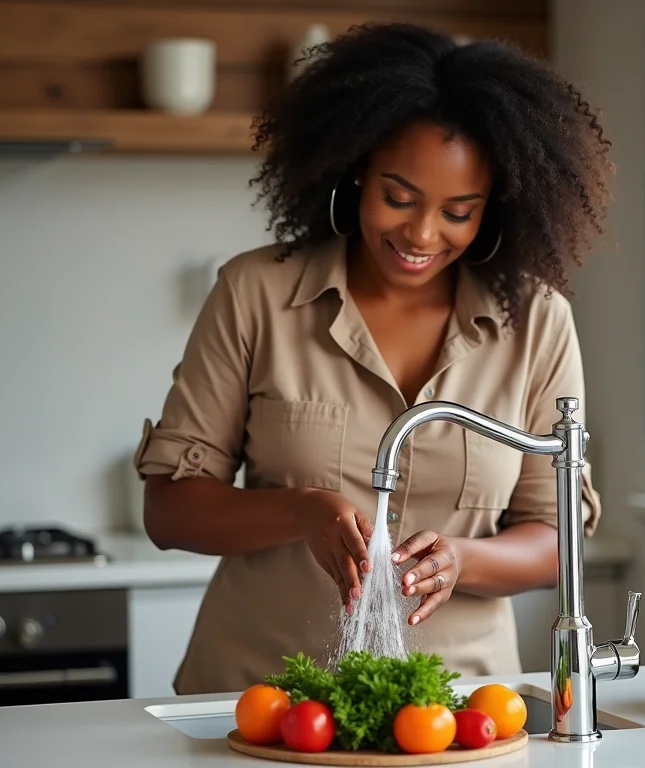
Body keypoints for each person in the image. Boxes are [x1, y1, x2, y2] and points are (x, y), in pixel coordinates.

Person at [134, 21, 611, 695]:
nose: (422, 233)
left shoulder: (536, 322)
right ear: (358, 169)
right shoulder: (255, 293)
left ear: (495, 206)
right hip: (260, 698)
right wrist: (300, 511)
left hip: (456, 708)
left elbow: (558, 538)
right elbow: (169, 512)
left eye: (459, 212)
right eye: (399, 198)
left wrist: (462, 559)